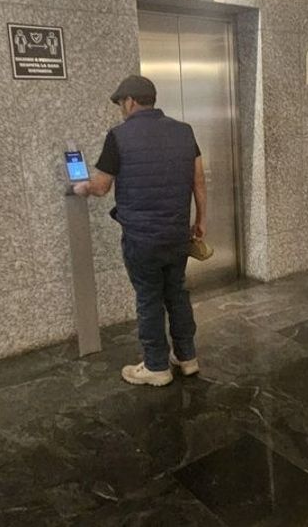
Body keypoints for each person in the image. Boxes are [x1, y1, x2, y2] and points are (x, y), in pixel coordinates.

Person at [73, 75, 207, 387]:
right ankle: (187, 357)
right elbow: (198, 181)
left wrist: (82, 187)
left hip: (141, 238)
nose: (121, 109)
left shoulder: (119, 136)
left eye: (121, 103)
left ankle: (156, 366)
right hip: (177, 234)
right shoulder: (185, 132)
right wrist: (201, 220)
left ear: (130, 101)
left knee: (149, 298)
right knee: (177, 293)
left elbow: (102, 186)